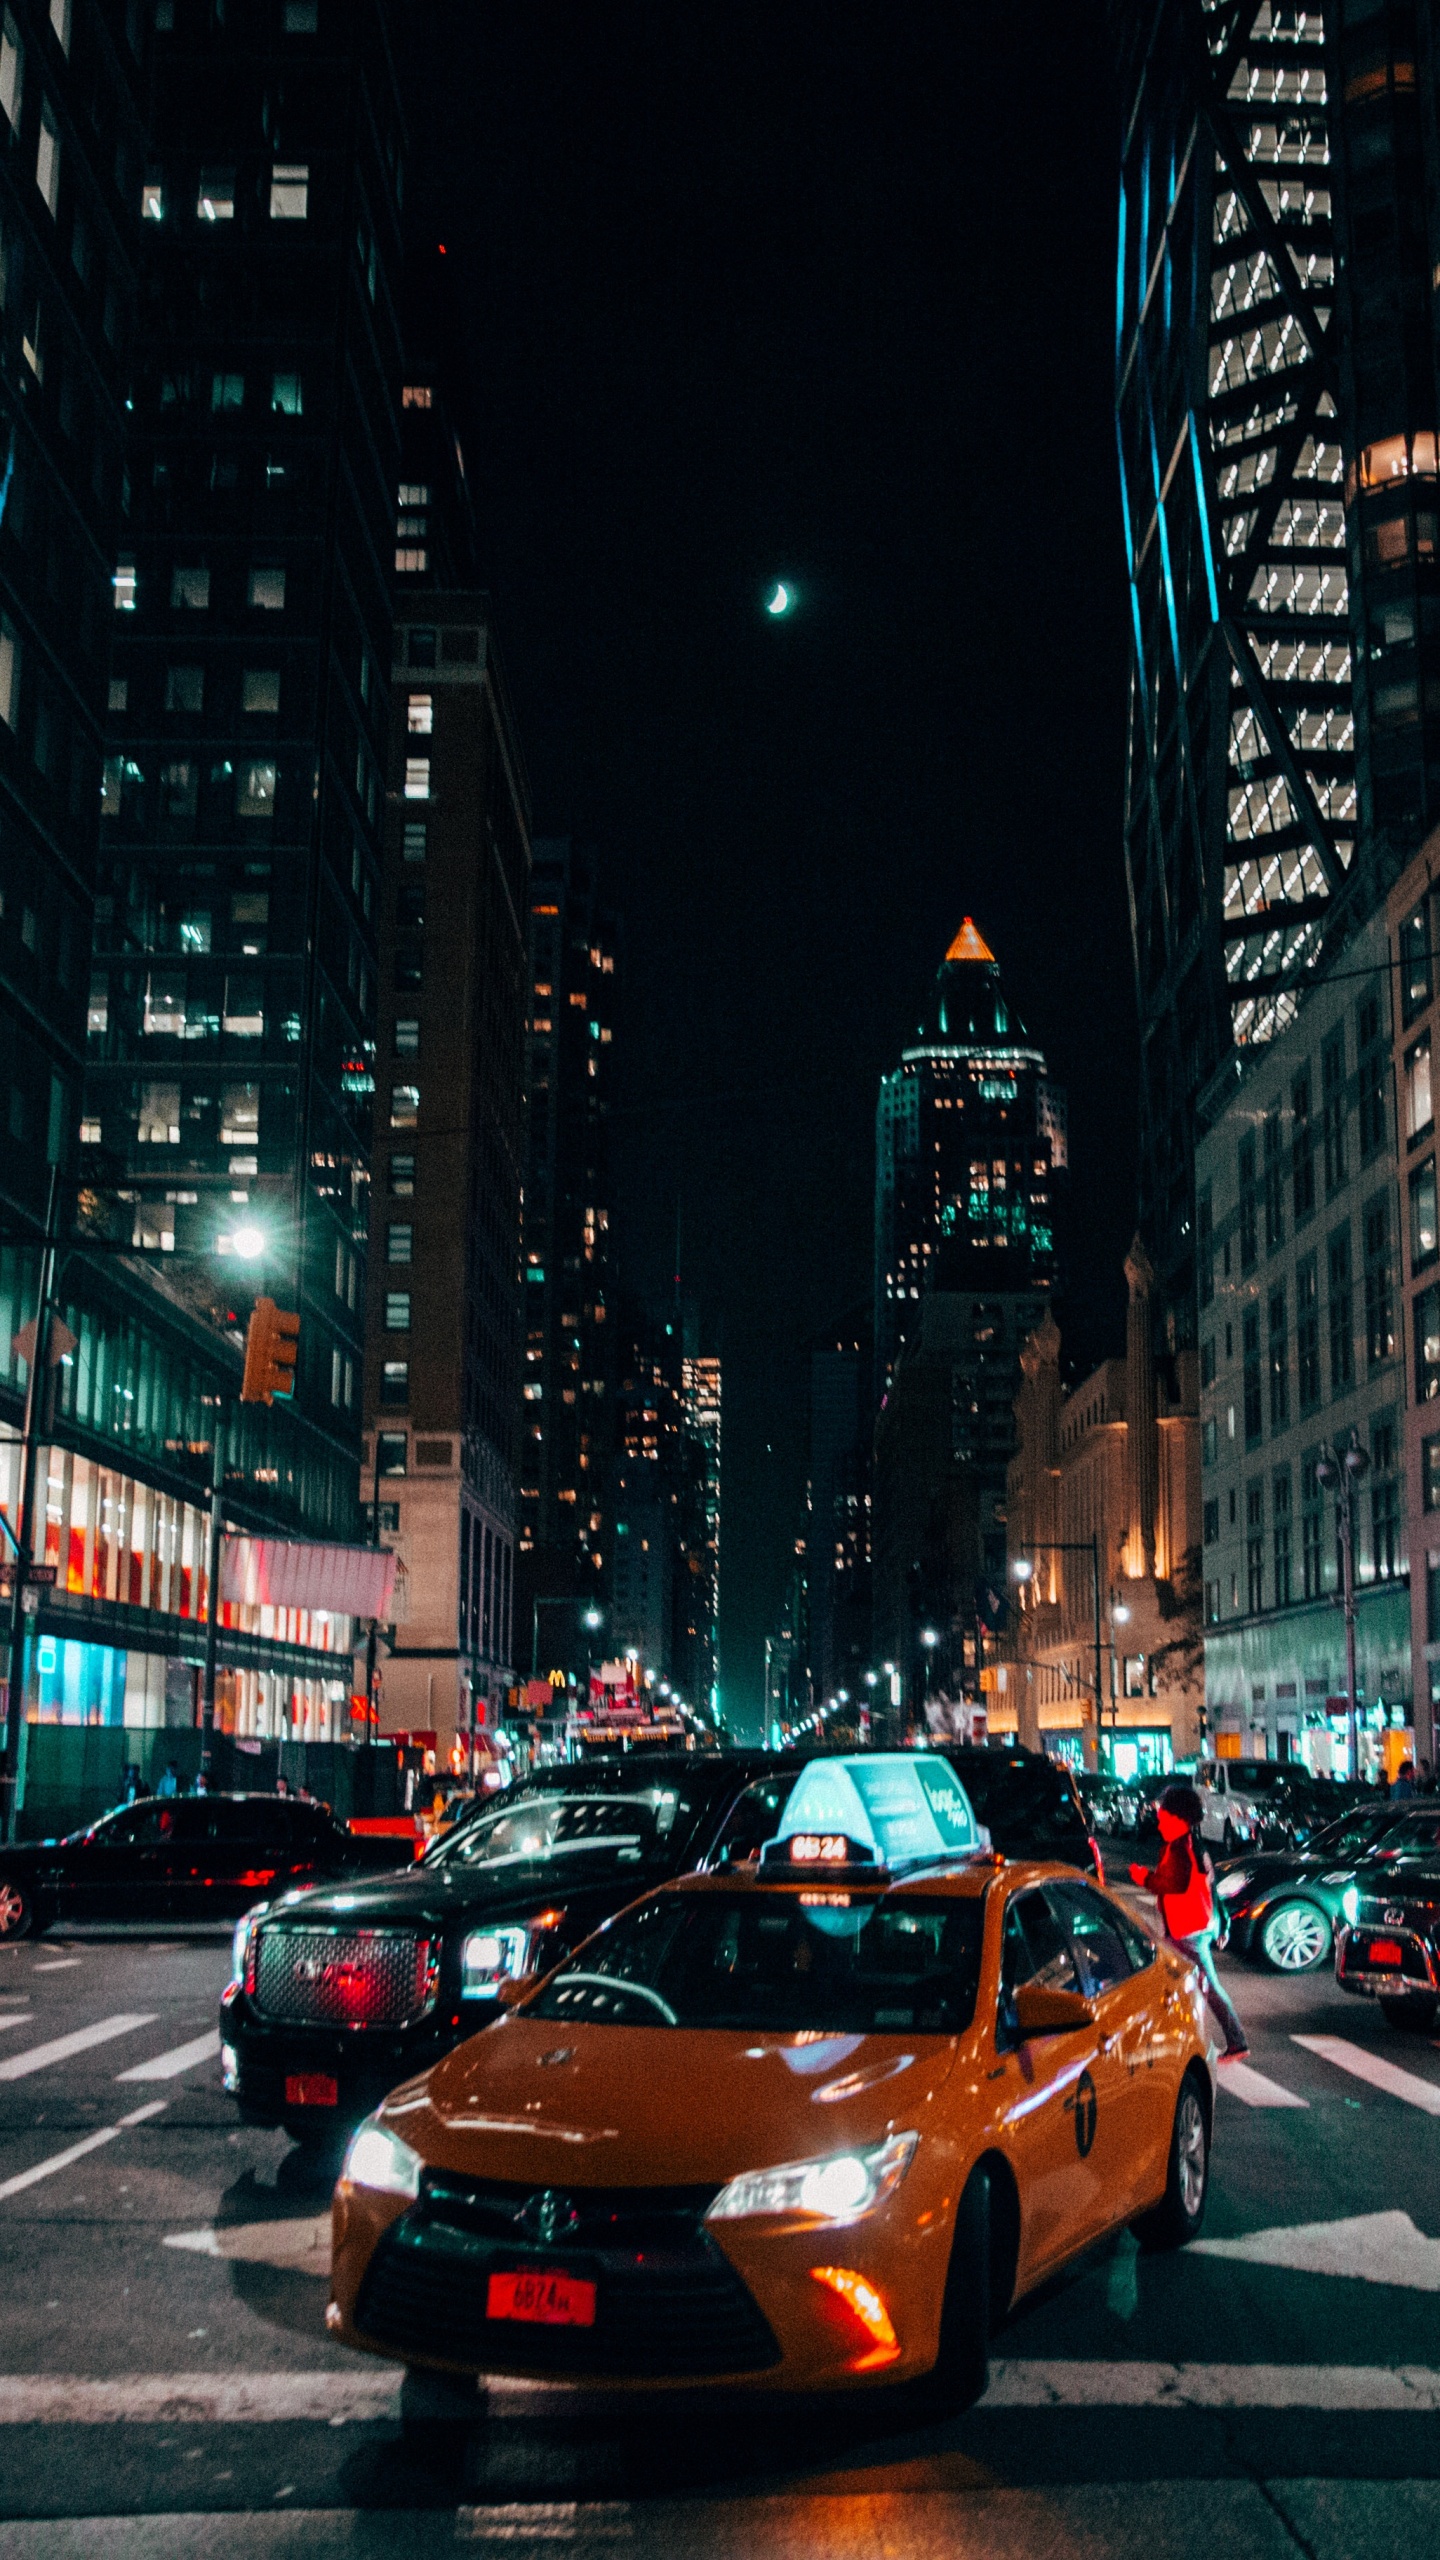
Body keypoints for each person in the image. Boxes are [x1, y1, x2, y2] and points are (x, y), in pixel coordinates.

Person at [1130, 1782, 1249, 2060]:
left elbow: (1175, 1884)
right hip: (1198, 1926)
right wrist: (1223, 1924)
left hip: (1187, 1930)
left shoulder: (1180, 1849)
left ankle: (1237, 2041)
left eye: (1163, 1815)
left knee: (1204, 1986)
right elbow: (1210, 1888)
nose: (1158, 1819)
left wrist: (1143, 1877)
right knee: (1178, 1983)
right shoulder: (1196, 1846)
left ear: (1178, 1818)